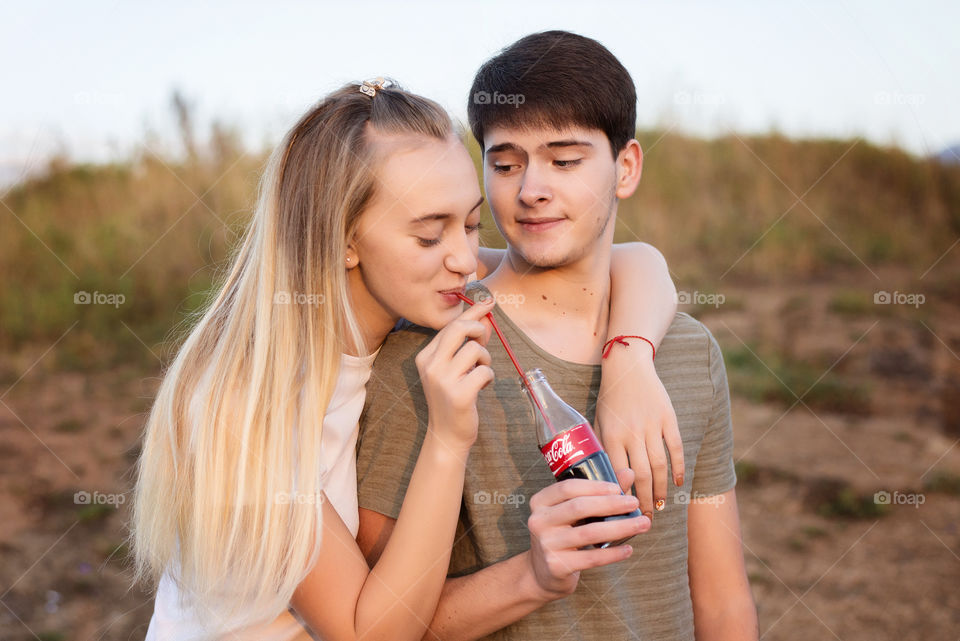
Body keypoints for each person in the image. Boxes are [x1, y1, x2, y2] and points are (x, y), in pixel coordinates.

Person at [131, 77, 681, 640]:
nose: (466, 260)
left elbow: (633, 261)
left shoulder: (412, 294)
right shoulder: (240, 403)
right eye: (428, 236)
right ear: (343, 238)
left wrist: (630, 362)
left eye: (471, 224)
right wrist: (447, 439)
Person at [355, 32, 759, 641]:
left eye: (564, 161)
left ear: (626, 168)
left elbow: (723, 603)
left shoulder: (687, 351)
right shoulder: (433, 353)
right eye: (505, 163)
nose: (531, 189)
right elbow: (382, 621)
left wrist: (630, 364)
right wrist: (533, 574)